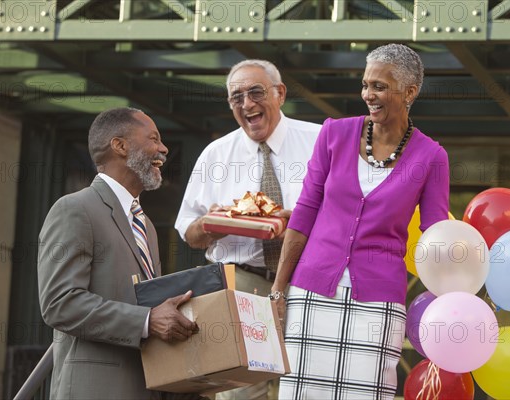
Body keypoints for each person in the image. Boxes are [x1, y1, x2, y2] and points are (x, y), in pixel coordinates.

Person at [271, 44, 450, 399]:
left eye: (379, 86)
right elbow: (304, 212)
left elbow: (435, 239)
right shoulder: (334, 134)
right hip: (311, 290)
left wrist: (449, 302)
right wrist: (279, 290)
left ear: (409, 91)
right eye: (366, 84)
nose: (368, 94)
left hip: (379, 300)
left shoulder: (432, 157)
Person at [174, 59, 321, 400]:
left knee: (307, 389)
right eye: (236, 97)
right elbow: (190, 232)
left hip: (306, 283)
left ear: (280, 93)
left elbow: (346, 216)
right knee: (240, 393)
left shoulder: (319, 141)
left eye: (256, 92)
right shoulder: (216, 154)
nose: (247, 104)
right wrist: (213, 225)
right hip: (242, 285)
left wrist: (299, 223)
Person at [37, 107, 205, 399]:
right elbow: (59, 303)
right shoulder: (75, 209)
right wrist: (146, 320)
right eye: (153, 138)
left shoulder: (147, 226)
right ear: (120, 146)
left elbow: (148, 305)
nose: (163, 149)